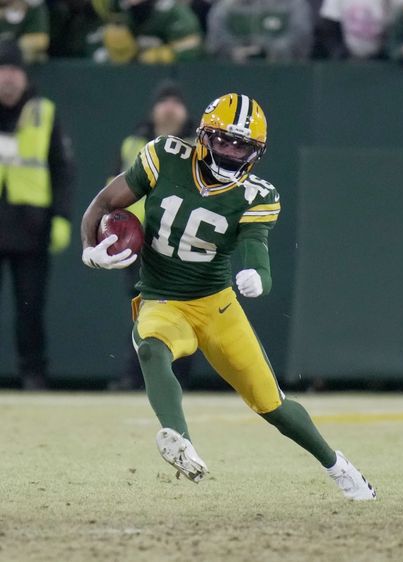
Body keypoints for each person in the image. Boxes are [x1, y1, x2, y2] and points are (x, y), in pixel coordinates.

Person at [79, 92, 376, 500]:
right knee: (150, 347)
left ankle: (339, 467)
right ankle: (178, 440)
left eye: (242, 145)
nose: (231, 151)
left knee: (272, 405)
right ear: (203, 135)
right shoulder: (164, 155)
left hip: (217, 306)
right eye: (223, 140)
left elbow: (258, 253)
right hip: (163, 299)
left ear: (257, 152)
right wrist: (87, 247)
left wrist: (257, 275)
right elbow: (103, 203)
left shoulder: (258, 194)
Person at [107, 80, 196, 391]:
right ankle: (138, 376)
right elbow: (113, 191)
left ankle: (177, 377)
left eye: (176, 101)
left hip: (182, 242)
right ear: (154, 109)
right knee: (142, 311)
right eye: (163, 101)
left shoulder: (198, 146)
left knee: (183, 309)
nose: (169, 108)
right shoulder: (134, 143)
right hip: (139, 242)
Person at [0, 40, 74, 390]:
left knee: (30, 308)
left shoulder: (44, 111)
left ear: (24, 75)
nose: (8, 78)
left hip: (31, 226)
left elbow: (62, 169)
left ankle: (33, 374)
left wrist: (61, 217)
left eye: (14, 70)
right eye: (2, 70)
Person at [95, 0, 202, 64]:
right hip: (129, 78)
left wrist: (162, 55)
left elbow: (192, 48)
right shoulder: (118, 9)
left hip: (167, 77)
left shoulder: (172, 12)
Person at [206, 0, 313, 63]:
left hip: (282, 75)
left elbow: (300, 36)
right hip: (233, 75)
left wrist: (271, 51)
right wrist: (234, 51)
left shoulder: (293, 4)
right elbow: (217, 40)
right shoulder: (225, 7)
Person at [314, 0, 403, 59]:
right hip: (347, 59)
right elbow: (328, 26)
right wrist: (341, 54)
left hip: (380, 60)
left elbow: (396, 32)